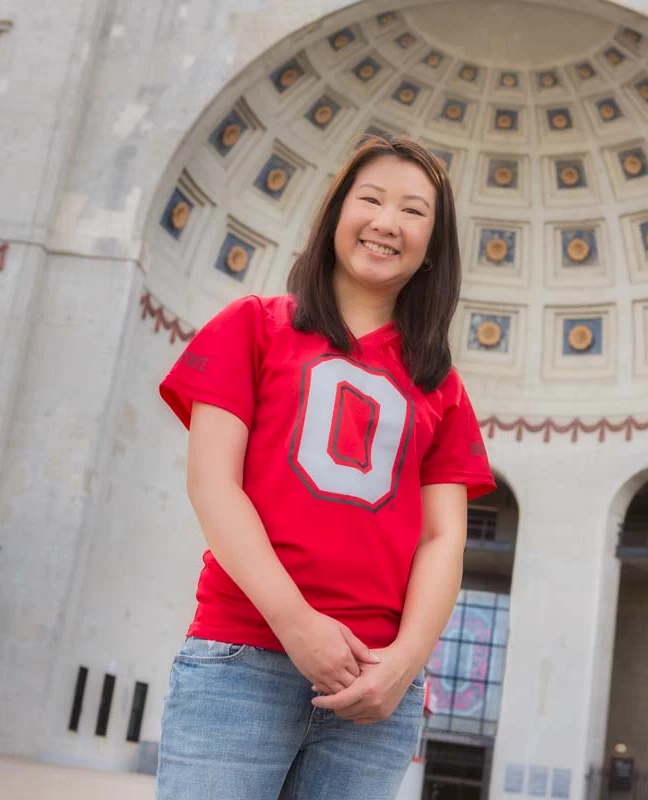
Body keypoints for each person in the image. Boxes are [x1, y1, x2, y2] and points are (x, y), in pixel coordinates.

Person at [155, 134, 495, 800]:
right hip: (240, 661)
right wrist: (297, 625)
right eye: (370, 199)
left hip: (376, 695)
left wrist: (404, 666)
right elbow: (212, 484)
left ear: (434, 245)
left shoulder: (441, 388)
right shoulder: (252, 326)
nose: (386, 223)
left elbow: (442, 537)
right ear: (336, 213)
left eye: (413, 211)